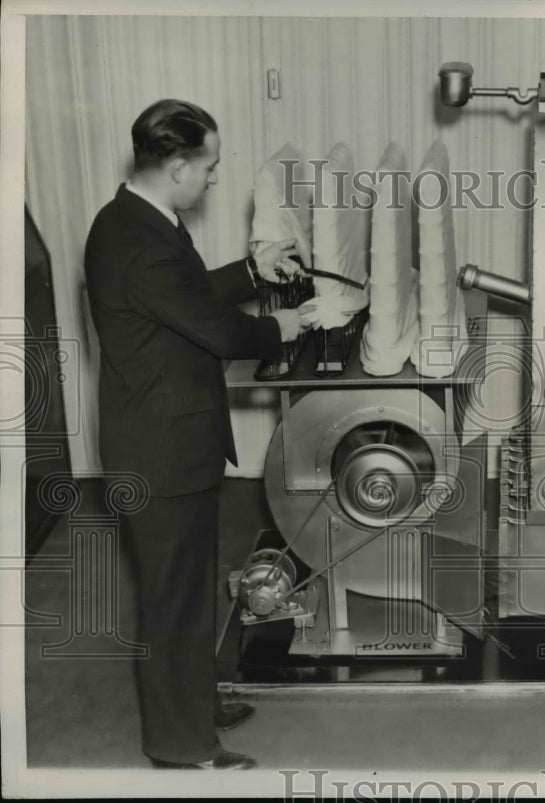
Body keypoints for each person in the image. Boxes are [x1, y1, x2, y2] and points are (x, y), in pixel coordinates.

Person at [84, 99, 303, 770]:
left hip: (173, 441)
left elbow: (186, 291)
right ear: (176, 164)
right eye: (207, 166)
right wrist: (284, 328)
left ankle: (196, 703)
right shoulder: (136, 240)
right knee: (172, 600)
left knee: (191, 584)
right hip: (160, 452)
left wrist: (252, 274)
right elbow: (213, 328)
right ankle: (180, 744)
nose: (213, 178)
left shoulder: (141, 220)